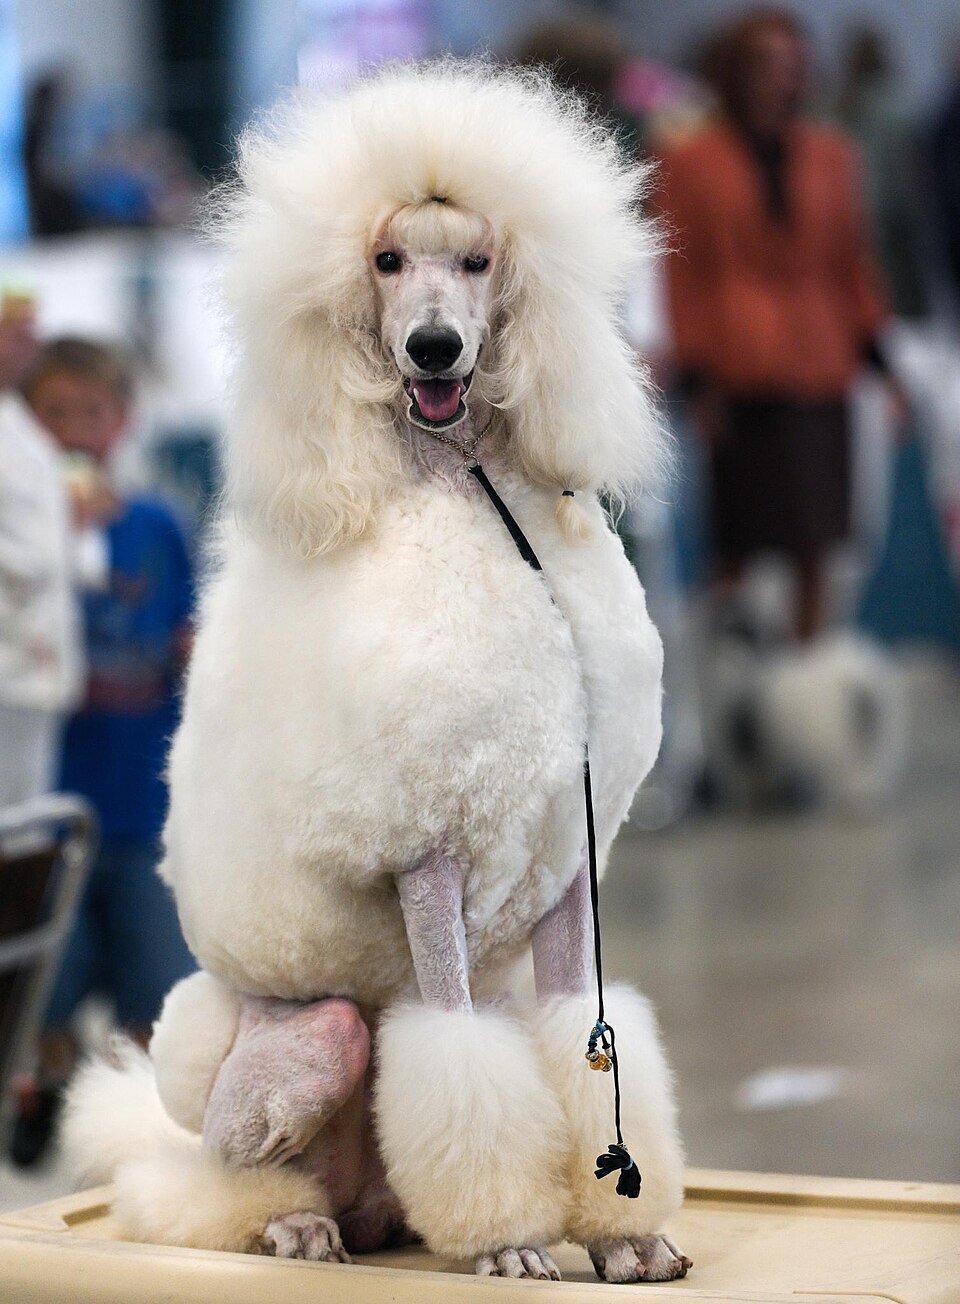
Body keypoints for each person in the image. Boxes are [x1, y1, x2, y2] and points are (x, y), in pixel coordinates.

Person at [653, 9, 906, 641]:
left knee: (816, 544)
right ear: (735, 71)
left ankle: (807, 681)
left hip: (822, 365)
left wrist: (884, 367)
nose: (779, 77)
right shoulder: (689, 161)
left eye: (791, 63)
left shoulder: (831, 155)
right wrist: (697, 380)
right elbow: (684, 277)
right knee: (735, 541)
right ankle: (734, 683)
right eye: (764, 63)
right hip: (739, 373)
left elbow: (853, 265)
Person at [8, 337, 196, 1166]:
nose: (77, 430)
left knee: (154, 986)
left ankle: (145, 1123)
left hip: (146, 813)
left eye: (94, 411)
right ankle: (40, 1086)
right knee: (44, 985)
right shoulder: (21, 538)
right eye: (56, 415)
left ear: (122, 423)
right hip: (50, 813)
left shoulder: (157, 525)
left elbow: (189, 639)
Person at [0, 295, 82, 806]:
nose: (32, 343)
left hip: (37, 666)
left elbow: (50, 538)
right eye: (18, 331)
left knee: (23, 826)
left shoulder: (19, 423)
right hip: (8, 660)